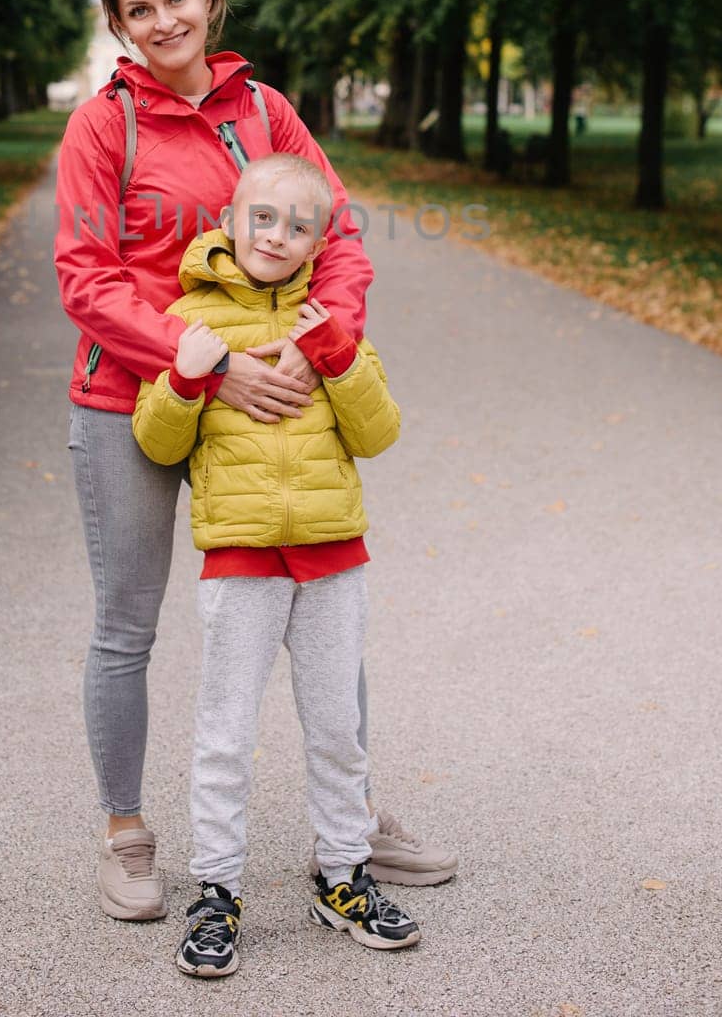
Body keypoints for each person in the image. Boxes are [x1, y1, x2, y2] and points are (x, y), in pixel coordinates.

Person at [54, 0, 457, 922]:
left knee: (321, 605)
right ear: (118, 24)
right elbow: (87, 276)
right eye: (138, 8)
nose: (163, 21)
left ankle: (350, 820)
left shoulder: (266, 111)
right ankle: (127, 836)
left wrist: (320, 339)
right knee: (126, 624)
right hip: (140, 393)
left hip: (272, 388)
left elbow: (342, 229)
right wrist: (207, 366)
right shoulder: (103, 126)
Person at [133, 152, 422, 977]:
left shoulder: (329, 320)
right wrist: (187, 384)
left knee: (337, 729)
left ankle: (343, 877)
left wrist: (336, 355)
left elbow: (379, 432)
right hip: (242, 561)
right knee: (226, 733)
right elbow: (158, 440)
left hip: (334, 559)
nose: (277, 235)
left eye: (299, 226)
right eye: (263, 217)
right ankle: (216, 892)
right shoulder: (190, 317)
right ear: (231, 219)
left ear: (317, 241)